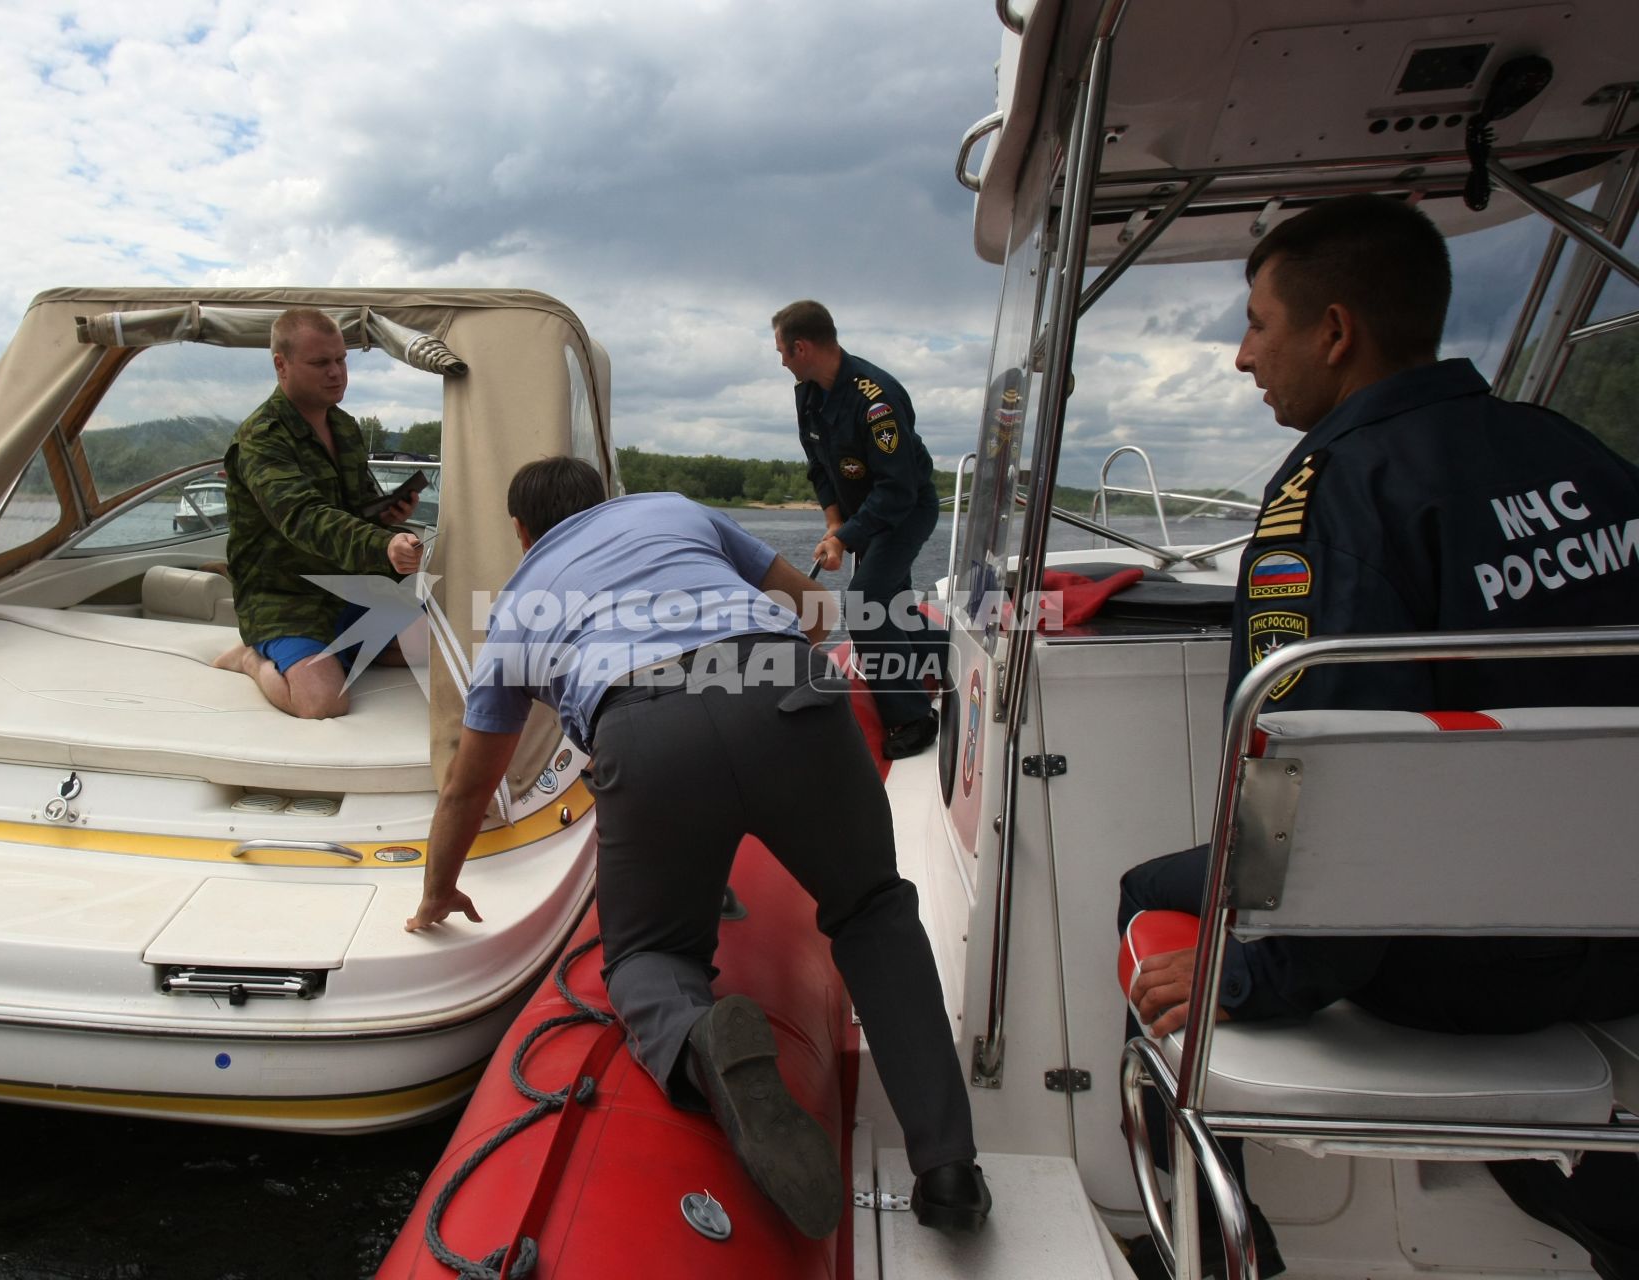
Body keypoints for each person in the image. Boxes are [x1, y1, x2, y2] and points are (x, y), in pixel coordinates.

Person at [1118, 194, 1639, 1278]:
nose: (1241, 357)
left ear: (1336, 331)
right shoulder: (1585, 459)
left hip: (1463, 966)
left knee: (1149, 887)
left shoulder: (1329, 499)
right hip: (1624, 935)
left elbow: (1317, 772)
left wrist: (1254, 974)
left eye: (1257, 323)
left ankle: (1220, 1248)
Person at [404, 457, 990, 1239]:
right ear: (608, 501)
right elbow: (813, 606)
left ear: (521, 533)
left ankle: (699, 1039)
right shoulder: (672, 511)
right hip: (789, 683)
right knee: (873, 910)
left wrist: (437, 890)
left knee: (648, 956)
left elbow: (469, 785)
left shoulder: (517, 604)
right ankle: (949, 1170)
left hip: (647, 730)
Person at [211, 308, 424, 718]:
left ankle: (355, 646)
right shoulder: (261, 439)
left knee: (437, 646)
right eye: (320, 363)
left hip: (346, 583)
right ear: (281, 365)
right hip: (286, 597)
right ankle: (250, 659)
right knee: (322, 702)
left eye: (341, 360)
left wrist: (387, 516)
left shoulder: (344, 427)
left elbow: (354, 506)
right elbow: (304, 518)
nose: (337, 373)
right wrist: (383, 545)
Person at [774, 300, 948, 758]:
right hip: (862, 516)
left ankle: (913, 718)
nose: (781, 361)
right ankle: (946, 654)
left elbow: (898, 492)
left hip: (905, 510)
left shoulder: (878, 399)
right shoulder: (808, 392)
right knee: (890, 604)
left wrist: (844, 538)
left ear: (801, 347)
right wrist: (835, 523)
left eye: (782, 352)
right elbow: (820, 465)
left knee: (865, 601)